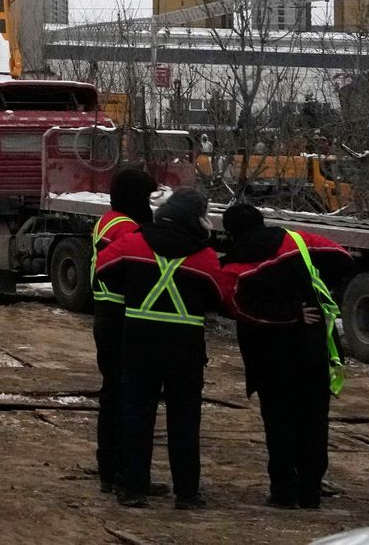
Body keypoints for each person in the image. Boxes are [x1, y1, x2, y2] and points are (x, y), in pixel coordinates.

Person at [97, 188, 231, 510]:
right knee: (184, 422)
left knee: (136, 418)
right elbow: (221, 299)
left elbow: (102, 271)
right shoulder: (205, 257)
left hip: (138, 345)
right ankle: (186, 493)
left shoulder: (133, 244)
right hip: (185, 351)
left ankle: (132, 488)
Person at [220, 204, 353, 510]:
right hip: (312, 350)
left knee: (279, 423)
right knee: (314, 422)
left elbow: (237, 307)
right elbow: (342, 257)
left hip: (268, 356)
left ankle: (283, 491)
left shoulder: (234, 264)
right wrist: (313, 292)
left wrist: (287, 315)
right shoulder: (296, 240)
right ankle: (311, 492)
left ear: (230, 231)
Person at [90, 169, 159, 495]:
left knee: (112, 394)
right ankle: (121, 472)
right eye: (146, 198)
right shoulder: (127, 228)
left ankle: (110, 470)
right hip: (120, 317)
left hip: (106, 315)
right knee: (124, 397)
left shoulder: (109, 220)